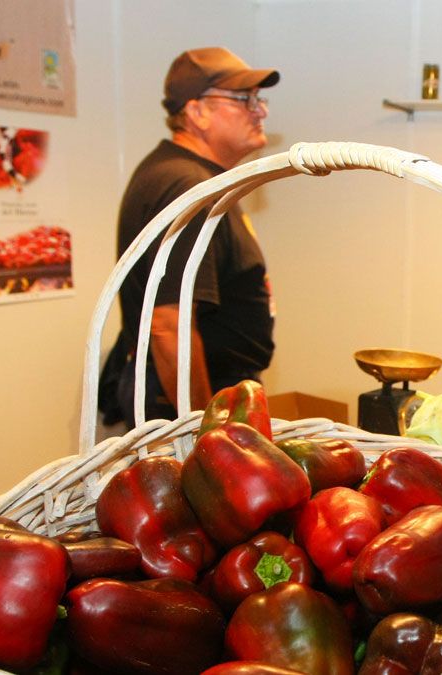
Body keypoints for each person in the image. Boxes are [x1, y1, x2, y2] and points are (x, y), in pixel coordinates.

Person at [109, 47, 279, 428]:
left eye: (258, 99)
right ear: (196, 111)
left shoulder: (187, 176)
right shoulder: (186, 184)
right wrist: (207, 432)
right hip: (195, 406)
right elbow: (168, 324)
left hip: (219, 395)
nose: (260, 110)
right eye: (243, 99)